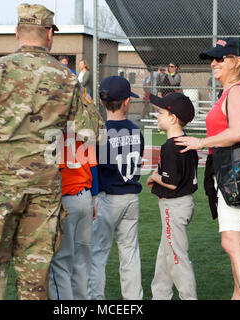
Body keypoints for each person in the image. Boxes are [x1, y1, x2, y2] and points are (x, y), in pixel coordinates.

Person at [0, 3, 103, 300]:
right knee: (34, 281)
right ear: (49, 35)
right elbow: (92, 132)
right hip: (44, 191)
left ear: (18, 32)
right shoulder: (68, 78)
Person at [175, 38, 240, 300]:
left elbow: (237, 132)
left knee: (232, 243)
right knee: (234, 242)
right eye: (212, 59)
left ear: (236, 62)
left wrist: (200, 142)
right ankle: (239, 296)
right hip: (232, 171)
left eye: (220, 58)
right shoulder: (236, 91)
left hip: (234, 172)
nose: (214, 63)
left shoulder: (236, 91)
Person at [88, 76, 144, 300]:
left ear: (102, 103)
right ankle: (133, 300)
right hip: (130, 197)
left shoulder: (99, 133)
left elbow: (94, 167)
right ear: (127, 102)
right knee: (129, 253)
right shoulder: (135, 130)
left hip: (106, 198)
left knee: (98, 255)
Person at [146, 92, 198, 300]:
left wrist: (155, 176)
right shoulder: (187, 141)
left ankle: (188, 297)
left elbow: (172, 182)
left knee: (177, 258)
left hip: (174, 207)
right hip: (183, 204)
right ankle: (160, 296)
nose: (157, 116)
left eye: (160, 112)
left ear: (173, 118)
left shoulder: (170, 146)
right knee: (165, 255)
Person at [48, 128, 99, 300]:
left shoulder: (51, 130)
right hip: (85, 196)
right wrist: (93, 198)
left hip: (65, 200)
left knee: (60, 264)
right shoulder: (84, 128)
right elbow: (93, 166)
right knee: (82, 264)